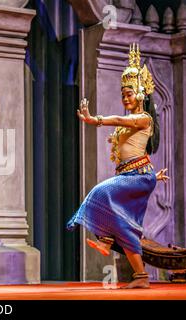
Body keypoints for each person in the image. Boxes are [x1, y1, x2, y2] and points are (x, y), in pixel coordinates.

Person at [67, 43, 169, 289]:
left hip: (138, 176)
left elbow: (120, 119)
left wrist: (96, 120)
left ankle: (104, 238)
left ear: (141, 94)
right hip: (136, 174)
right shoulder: (132, 123)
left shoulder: (142, 118)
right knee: (124, 225)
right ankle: (140, 275)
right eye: (123, 94)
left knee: (100, 193)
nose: (125, 98)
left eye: (129, 94)